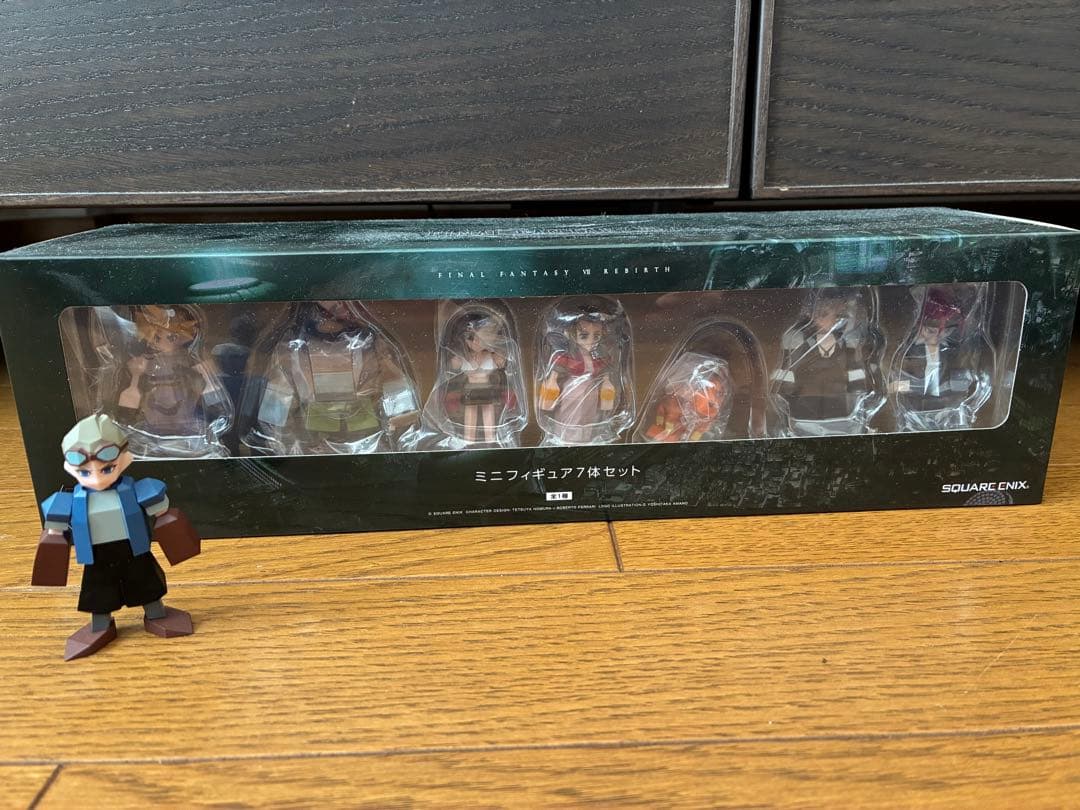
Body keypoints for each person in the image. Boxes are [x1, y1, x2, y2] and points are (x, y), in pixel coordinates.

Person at [32, 414, 201, 660]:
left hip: (134, 550)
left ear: (124, 459)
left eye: (107, 469)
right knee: (98, 592)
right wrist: (54, 541)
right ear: (70, 468)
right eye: (85, 472)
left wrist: (171, 528)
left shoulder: (136, 490)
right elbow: (55, 534)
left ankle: (157, 615)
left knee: (147, 584)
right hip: (96, 557)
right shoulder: (69, 502)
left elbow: (162, 513)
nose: (97, 478)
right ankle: (100, 627)